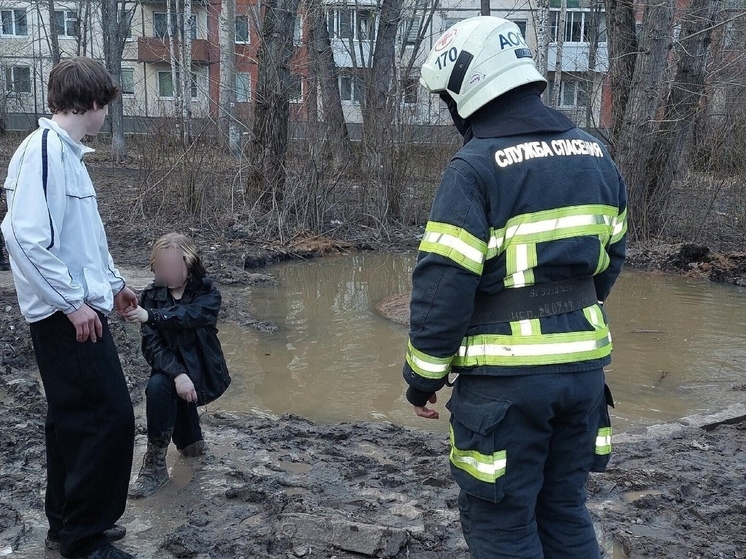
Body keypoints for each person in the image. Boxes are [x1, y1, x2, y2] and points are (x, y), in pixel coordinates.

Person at [403, 17, 627, 558]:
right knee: (565, 511)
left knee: (502, 525)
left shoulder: (474, 169)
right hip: (583, 379)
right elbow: (610, 260)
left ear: (466, 89)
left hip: (506, 388)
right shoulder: (596, 154)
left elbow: (443, 287)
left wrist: (422, 377)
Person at [1, 58, 137, 559]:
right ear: (94, 103)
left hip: (79, 310)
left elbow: (85, 242)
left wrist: (115, 284)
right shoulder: (43, 151)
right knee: (110, 419)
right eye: (107, 105)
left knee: (69, 420)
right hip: (66, 319)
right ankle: (85, 537)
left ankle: (66, 523)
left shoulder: (67, 156)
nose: (107, 115)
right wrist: (74, 303)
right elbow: (22, 236)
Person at [124, 233, 230, 499]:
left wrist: (153, 316)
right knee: (159, 385)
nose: (166, 273)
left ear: (189, 263)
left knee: (190, 449)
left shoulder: (207, 292)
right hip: (172, 373)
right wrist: (179, 374)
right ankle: (155, 466)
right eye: (161, 267)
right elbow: (152, 346)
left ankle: (189, 442)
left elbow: (190, 317)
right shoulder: (149, 296)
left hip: (203, 370)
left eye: (172, 266)